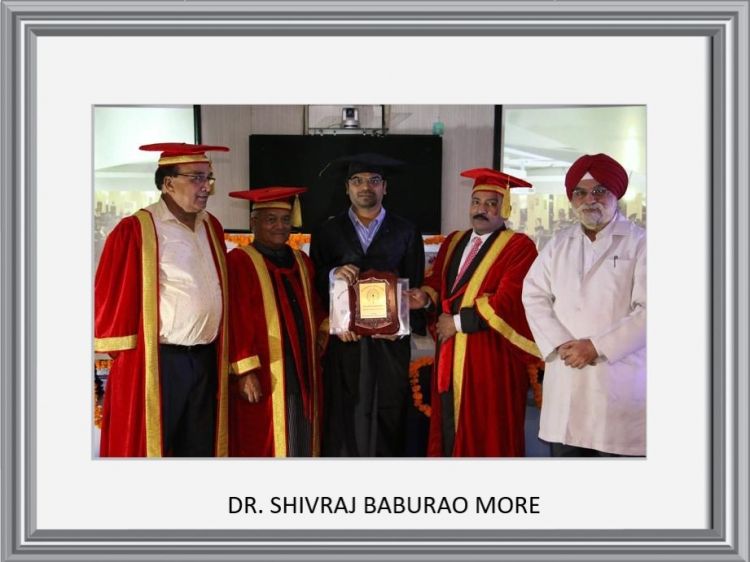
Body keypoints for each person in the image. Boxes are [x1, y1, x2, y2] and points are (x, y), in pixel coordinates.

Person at [94, 142, 230, 457]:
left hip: (206, 358)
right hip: (161, 362)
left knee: (199, 449)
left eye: (209, 178)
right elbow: (109, 296)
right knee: (158, 448)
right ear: (168, 183)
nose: (206, 187)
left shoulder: (211, 226)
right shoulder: (137, 229)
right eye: (197, 178)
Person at [407, 167, 541, 457]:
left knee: (488, 430)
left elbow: (510, 300)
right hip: (450, 352)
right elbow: (438, 283)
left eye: (492, 203)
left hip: (492, 356)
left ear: (504, 208)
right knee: (449, 427)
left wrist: (457, 322)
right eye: (476, 202)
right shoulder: (454, 241)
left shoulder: (519, 247)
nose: (482, 209)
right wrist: (425, 299)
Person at [522, 153, 646, 457]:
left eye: (599, 190)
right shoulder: (558, 244)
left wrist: (596, 346)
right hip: (567, 376)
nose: (589, 199)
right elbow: (533, 294)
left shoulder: (641, 243)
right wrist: (561, 343)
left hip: (616, 382)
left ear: (616, 194)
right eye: (580, 192)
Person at [309, 153, 425, 457]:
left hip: (389, 345)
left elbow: (414, 286)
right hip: (345, 342)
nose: (365, 187)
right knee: (344, 413)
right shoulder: (327, 231)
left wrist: (402, 324)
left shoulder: (406, 231)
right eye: (357, 181)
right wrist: (334, 275)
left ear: (385, 187)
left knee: (389, 412)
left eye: (374, 181)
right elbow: (314, 281)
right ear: (347, 187)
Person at [225, 187, 324, 457]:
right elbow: (235, 319)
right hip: (266, 367)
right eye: (271, 220)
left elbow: (316, 307)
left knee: (303, 430)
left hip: (304, 365)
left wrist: (324, 332)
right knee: (266, 436)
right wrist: (244, 371)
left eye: (285, 219)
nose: (280, 226)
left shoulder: (301, 261)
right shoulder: (239, 262)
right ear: (253, 223)